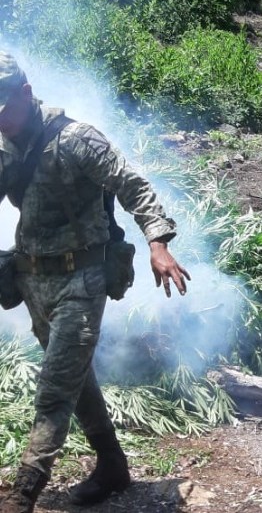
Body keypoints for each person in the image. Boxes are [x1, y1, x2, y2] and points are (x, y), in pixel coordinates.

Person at [0, 51, 191, 513]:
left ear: (25, 94)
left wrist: (158, 242)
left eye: (0, 106)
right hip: (33, 282)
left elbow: (133, 185)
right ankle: (112, 465)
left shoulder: (75, 139)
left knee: (54, 388)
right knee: (75, 377)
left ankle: (24, 490)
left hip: (80, 282)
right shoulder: (6, 149)